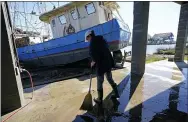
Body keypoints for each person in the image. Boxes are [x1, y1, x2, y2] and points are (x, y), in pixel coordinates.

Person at [85, 30, 120, 104]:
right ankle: (116, 93)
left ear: (90, 36)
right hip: (108, 63)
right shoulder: (102, 40)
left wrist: (93, 62)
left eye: (87, 39)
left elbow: (95, 56)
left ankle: (99, 99)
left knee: (100, 81)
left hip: (101, 65)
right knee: (109, 78)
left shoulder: (92, 44)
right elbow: (106, 50)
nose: (88, 41)